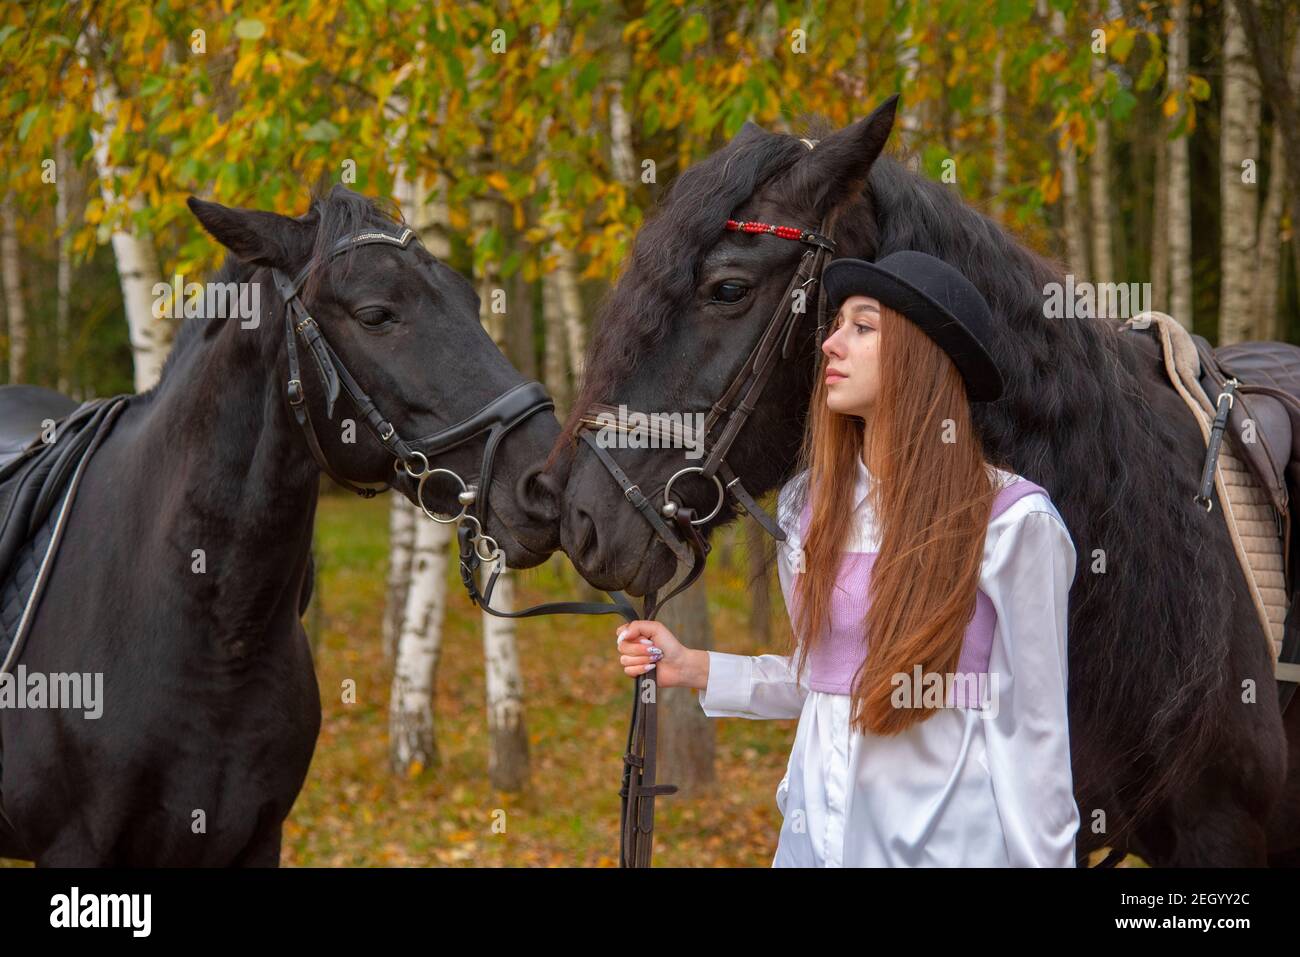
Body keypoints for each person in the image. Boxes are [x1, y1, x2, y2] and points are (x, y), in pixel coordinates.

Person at [614, 250, 1080, 867]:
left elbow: (1035, 733)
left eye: (862, 327)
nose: (831, 344)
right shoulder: (808, 508)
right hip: (817, 842)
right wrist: (693, 665)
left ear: (922, 357)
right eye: (836, 326)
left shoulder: (1012, 523)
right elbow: (820, 680)